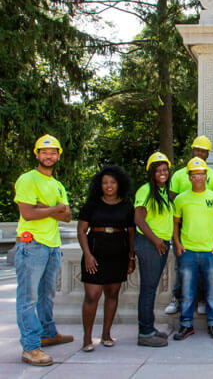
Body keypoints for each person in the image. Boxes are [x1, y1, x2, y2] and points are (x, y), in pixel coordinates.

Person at [14, 135, 73, 366]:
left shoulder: (57, 185)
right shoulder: (28, 180)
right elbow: (27, 213)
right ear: (36, 154)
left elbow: (67, 216)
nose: (49, 156)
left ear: (58, 155)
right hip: (32, 245)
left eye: (53, 152)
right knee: (28, 299)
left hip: (52, 246)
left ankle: (48, 333)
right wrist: (55, 209)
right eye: (44, 152)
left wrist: (46, 208)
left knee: (47, 295)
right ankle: (30, 347)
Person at [77, 166, 136, 352]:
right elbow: (81, 231)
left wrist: (131, 257)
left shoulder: (127, 205)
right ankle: (87, 337)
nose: (108, 186)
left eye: (112, 182)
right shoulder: (92, 205)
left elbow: (131, 233)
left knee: (112, 294)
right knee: (92, 296)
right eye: (105, 183)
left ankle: (106, 334)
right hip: (95, 253)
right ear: (99, 185)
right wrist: (87, 254)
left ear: (119, 184)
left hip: (118, 253)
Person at [165, 135, 213, 315]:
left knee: (206, 269)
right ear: (192, 150)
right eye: (197, 149)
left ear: (208, 153)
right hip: (183, 226)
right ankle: (177, 298)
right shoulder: (179, 174)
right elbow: (173, 197)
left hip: (206, 229)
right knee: (181, 266)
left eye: (203, 151)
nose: (200, 153)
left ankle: (202, 301)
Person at [172, 157, 213, 340]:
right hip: (188, 251)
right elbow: (175, 223)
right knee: (187, 292)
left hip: (211, 252)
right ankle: (186, 325)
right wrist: (178, 243)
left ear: (206, 176)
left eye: (201, 174)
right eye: (194, 175)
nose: (198, 178)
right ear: (189, 177)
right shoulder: (181, 199)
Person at [134, 152, 173, 347]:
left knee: (151, 288)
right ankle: (145, 332)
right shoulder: (146, 190)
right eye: (158, 170)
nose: (162, 173)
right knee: (148, 289)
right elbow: (139, 219)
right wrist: (157, 240)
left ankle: (149, 327)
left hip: (160, 244)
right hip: (150, 245)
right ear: (151, 172)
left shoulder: (163, 191)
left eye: (165, 169)